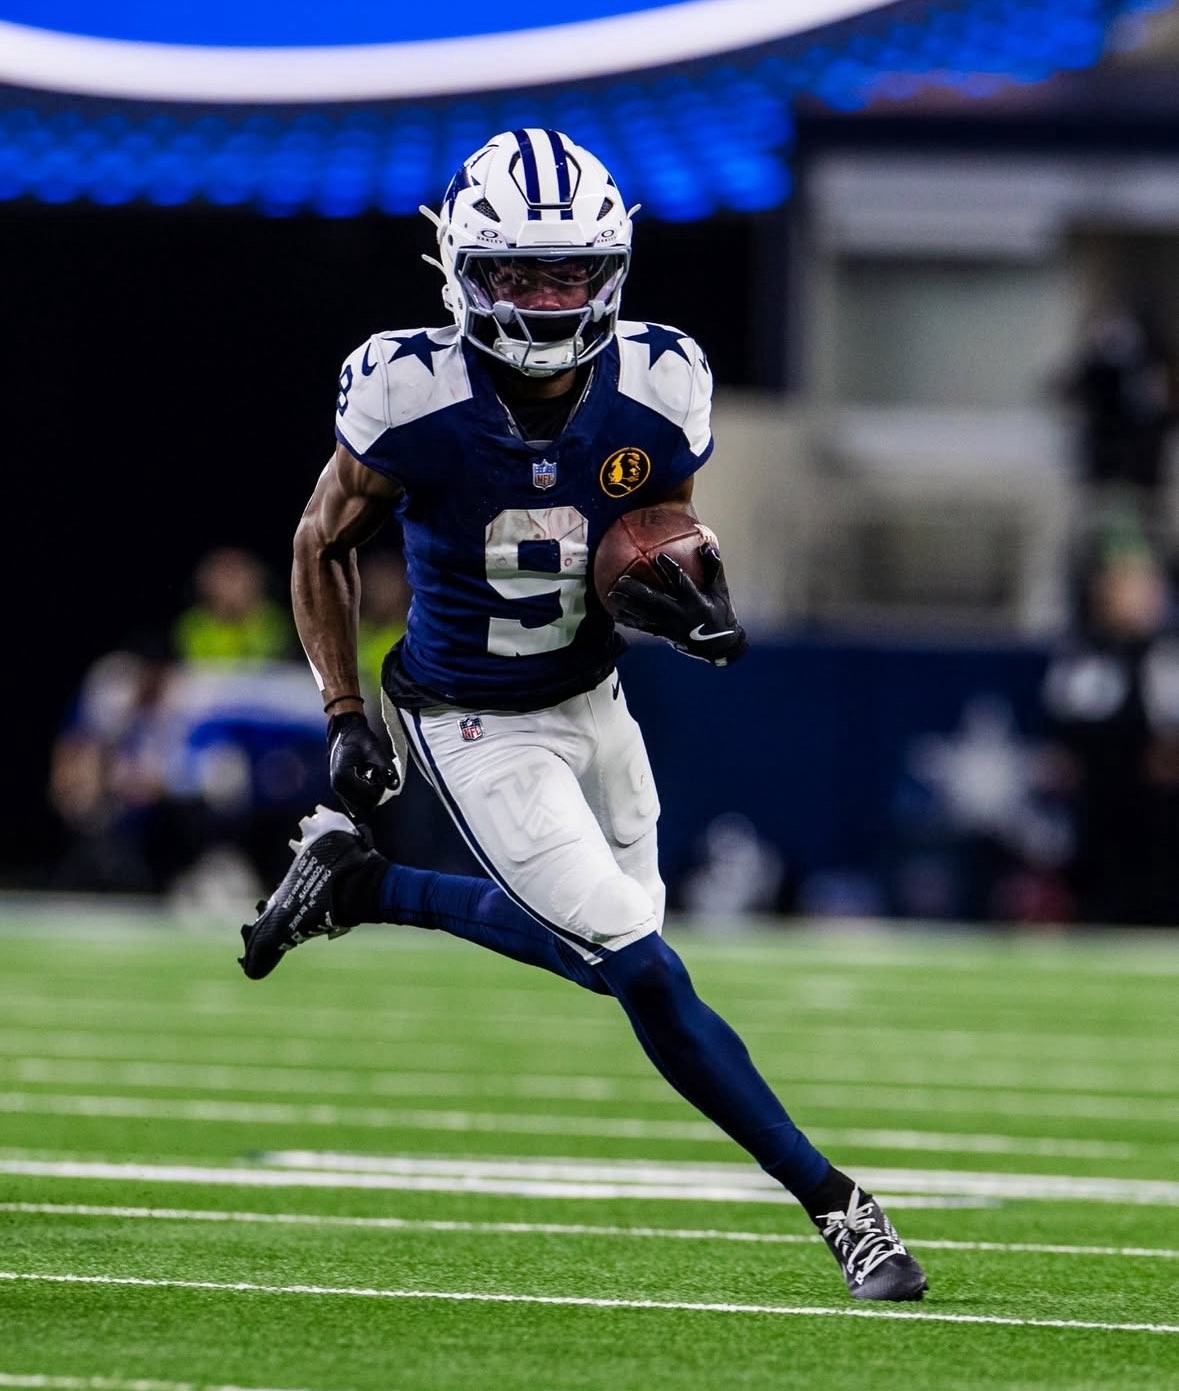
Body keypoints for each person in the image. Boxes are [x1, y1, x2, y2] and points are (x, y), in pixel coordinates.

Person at [238, 129, 927, 1302]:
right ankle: (841, 1206)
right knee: (644, 967)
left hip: (595, 700)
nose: (548, 298)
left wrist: (689, 606)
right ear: (460, 269)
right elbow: (320, 541)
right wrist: (346, 710)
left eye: (571, 272)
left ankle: (361, 885)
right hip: (473, 720)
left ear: (613, 269)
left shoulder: (661, 381)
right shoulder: (408, 389)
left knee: (609, 950)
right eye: (519, 272)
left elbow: (653, 539)